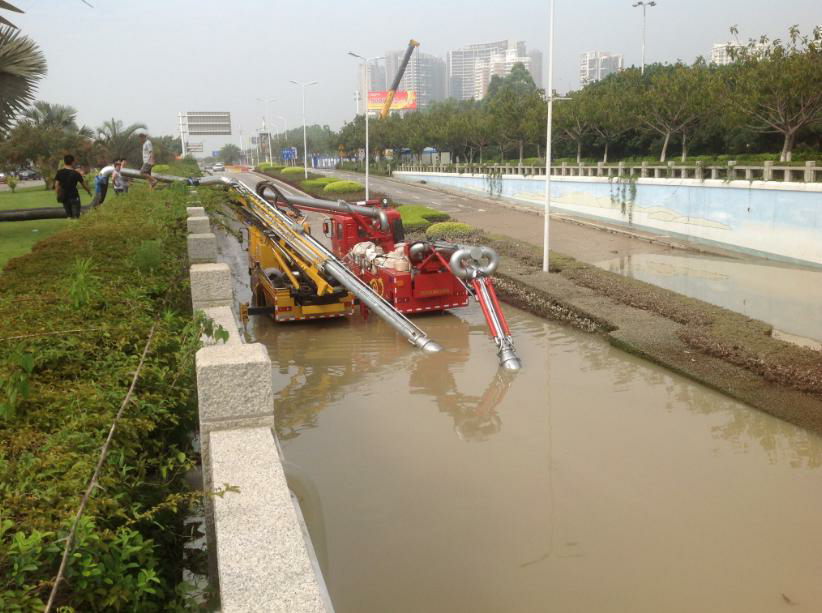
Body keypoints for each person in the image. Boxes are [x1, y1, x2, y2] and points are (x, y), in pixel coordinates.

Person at [54, 154, 91, 219]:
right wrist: (89, 191)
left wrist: (58, 194)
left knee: (69, 216)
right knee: (76, 216)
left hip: (65, 197)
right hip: (74, 196)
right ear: (73, 162)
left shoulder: (59, 172)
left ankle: (70, 227)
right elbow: (84, 185)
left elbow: (57, 185)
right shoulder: (76, 173)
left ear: (64, 162)